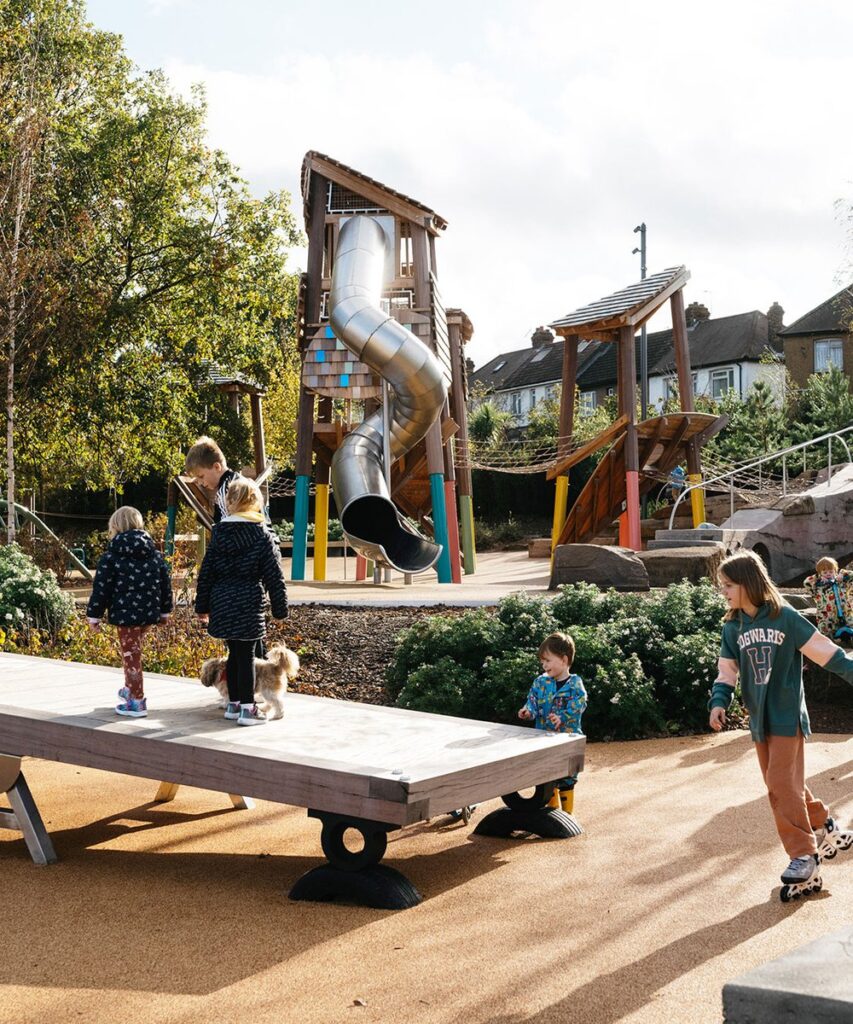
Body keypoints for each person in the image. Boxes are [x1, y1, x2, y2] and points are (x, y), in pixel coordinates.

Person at [709, 551, 853, 894]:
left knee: (779, 785)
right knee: (787, 785)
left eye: (728, 585)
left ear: (748, 582)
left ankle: (804, 854)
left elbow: (826, 652)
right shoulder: (733, 626)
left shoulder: (784, 618)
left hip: (787, 716)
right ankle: (823, 822)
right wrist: (718, 703)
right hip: (760, 721)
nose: (724, 592)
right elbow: (726, 672)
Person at [194, 477, 288, 726]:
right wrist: (280, 607)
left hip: (222, 602)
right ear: (256, 502)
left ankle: (233, 704)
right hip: (248, 602)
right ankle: (248, 709)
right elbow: (273, 575)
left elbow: (207, 573)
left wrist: (202, 606)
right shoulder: (261, 535)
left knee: (233, 654)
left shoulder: (219, 534)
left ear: (228, 503)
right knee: (246, 656)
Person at [86, 506, 173, 718]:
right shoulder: (154, 554)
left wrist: (94, 615)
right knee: (133, 650)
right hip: (148, 614)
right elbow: (165, 584)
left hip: (126, 616)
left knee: (131, 655)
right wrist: (164, 612)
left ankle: (136, 700)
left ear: (115, 526)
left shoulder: (111, 557)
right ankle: (129, 688)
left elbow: (102, 588)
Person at [518, 631, 587, 814]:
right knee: (547, 775)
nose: (544, 665)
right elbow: (532, 701)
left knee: (567, 777)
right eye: (542, 661)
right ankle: (552, 811)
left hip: (567, 739)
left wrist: (562, 717)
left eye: (548, 660)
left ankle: (568, 814)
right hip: (543, 739)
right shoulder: (541, 682)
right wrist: (528, 712)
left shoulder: (575, 684)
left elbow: (580, 704)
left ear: (563, 660)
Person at [184, 435, 243, 525]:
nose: (199, 482)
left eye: (201, 476)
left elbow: (224, 529)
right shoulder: (240, 481)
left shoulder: (227, 490)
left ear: (216, 467)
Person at [803, 557, 853, 642]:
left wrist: (842, 573)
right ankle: (829, 643)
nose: (828, 574)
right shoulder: (819, 584)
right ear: (820, 573)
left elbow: (851, 575)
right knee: (825, 629)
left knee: (851, 623)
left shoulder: (841, 581)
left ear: (835, 571)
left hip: (845, 611)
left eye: (831, 571)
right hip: (826, 614)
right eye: (824, 572)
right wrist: (817, 577)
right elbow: (806, 583)